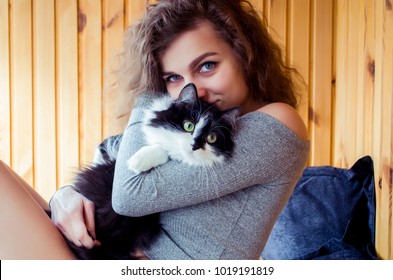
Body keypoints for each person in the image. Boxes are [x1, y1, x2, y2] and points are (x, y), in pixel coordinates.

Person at [0, 0, 309, 259]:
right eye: (172, 78)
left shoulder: (280, 123)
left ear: (245, 55)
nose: (194, 91)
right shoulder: (190, 124)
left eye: (207, 66)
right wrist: (63, 197)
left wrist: (151, 90)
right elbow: (110, 156)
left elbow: (129, 194)